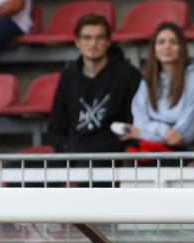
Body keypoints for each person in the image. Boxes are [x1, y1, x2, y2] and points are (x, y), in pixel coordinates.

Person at [47, 13, 140, 154]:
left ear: (108, 41)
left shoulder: (128, 75)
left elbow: (135, 123)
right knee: (14, 167)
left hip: (111, 154)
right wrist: (66, 149)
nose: (93, 43)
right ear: (77, 42)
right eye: (87, 38)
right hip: (73, 152)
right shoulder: (68, 77)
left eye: (99, 37)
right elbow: (56, 127)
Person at [121, 23, 194, 151]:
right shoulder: (146, 83)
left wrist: (142, 134)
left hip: (185, 152)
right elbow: (139, 122)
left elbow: (182, 135)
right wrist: (164, 130)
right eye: (161, 42)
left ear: (182, 47)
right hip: (154, 148)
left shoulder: (192, 78)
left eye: (173, 42)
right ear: (154, 49)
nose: (167, 46)